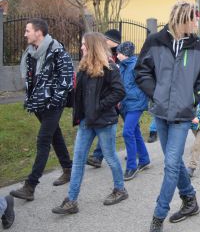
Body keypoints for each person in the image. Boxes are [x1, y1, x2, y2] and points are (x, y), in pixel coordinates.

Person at [135, 0, 200, 232]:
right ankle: (190, 199)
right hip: (160, 113)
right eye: (194, 18)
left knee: (170, 164)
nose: (197, 22)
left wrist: (193, 98)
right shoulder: (155, 41)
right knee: (174, 162)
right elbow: (141, 71)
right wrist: (157, 94)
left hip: (183, 115)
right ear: (182, 19)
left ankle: (158, 216)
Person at [52, 32, 128, 214]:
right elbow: (80, 95)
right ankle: (71, 201)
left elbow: (119, 92)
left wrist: (98, 106)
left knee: (110, 157)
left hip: (104, 121)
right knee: (78, 160)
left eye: (84, 44)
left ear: (93, 46)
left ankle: (120, 189)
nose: (81, 47)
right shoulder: (83, 68)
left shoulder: (110, 67)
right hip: (86, 121)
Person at [11, 18, 74, 202]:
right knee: (55, 135)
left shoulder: (57, 51)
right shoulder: (31, 53)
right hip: (38, 103)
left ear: (39, 32)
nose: (25, 34)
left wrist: (55, 100)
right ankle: (68, 168)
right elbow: (31, 80)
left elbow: (67, 77)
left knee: (44, 139)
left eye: (27, 30)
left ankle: (30, 186)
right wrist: (30, 98)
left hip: (53, 104)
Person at [86, 29, 123, 168]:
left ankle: (139, 154)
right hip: (110, 99)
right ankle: (97, 157)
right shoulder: (103, 55)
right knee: (107, 125)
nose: (105, 42)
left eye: (107, 39)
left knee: (131, 129)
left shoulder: (120, 55)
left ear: (115, 42)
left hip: (120, 97)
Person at [116, 41, 151, 181]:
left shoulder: (136, 66)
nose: (116, 55)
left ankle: (131, 166)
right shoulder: (122, 67)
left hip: (136, 104)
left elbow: (144, 84)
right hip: (126, 104)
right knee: (135, 131)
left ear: (125, 54)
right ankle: (144, 159)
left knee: (127, 131)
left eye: (118, 53)